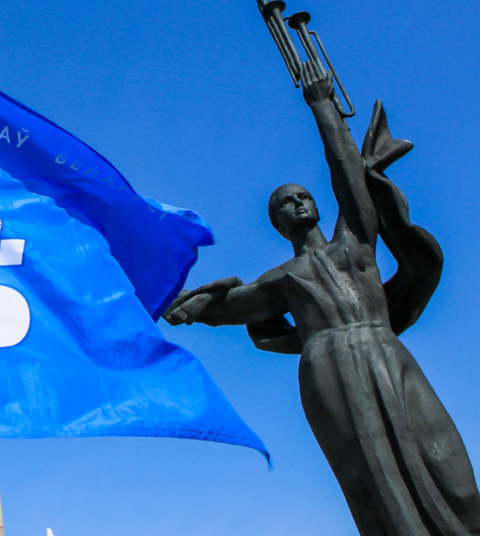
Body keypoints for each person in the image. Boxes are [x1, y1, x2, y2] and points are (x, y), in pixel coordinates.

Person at [164, 63, 480, 535]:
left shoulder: (354, 242)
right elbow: (226, 308)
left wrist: (322, 106)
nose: (298, 202)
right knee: (371, 477)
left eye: (303, 196)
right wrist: (176, 300)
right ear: (278, 224)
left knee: (453, 475)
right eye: (285, 202)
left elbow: (349, 178)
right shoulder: (281, 279)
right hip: (328, 368)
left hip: (384, 350)